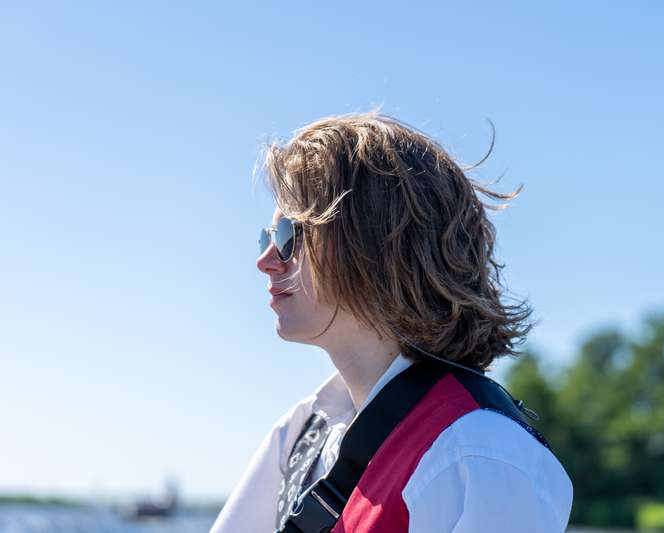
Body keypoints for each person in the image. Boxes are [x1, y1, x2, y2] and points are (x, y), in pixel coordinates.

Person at [210, 113, 573, 533]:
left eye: (288, 236)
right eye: (267, 237)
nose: (265, 260)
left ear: (374, 242)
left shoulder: (480, 454)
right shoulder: (301, 434)